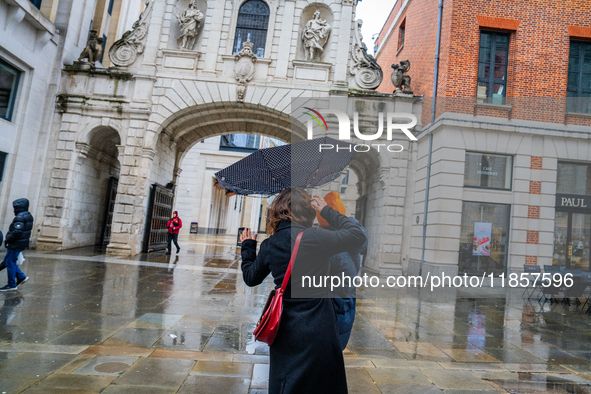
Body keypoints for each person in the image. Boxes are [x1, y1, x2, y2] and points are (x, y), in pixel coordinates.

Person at [240, 188, 366, 394]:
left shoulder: (270, 244)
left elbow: (250, 278)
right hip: (319, 326)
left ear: (278, 211)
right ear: (306, 212)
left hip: (286, 328)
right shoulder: (316, 237)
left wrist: (247, 247)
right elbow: (358, 236)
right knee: (321, 384)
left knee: (288, 382)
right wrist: (326, 211)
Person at [316, 191, 367, 350]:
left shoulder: (329, 241)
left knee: (326, 354)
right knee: (334, 351)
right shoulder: (353, 235)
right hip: (346, 301)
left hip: (331, 306)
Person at [0, 198, 34, 292]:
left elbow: (17, 231)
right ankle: (21, 277)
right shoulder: (28, 215)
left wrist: (8, 239)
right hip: (21, 243)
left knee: (10, 262)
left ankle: (11, 284)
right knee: (8, 261)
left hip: (15, 244)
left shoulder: (20, 217)